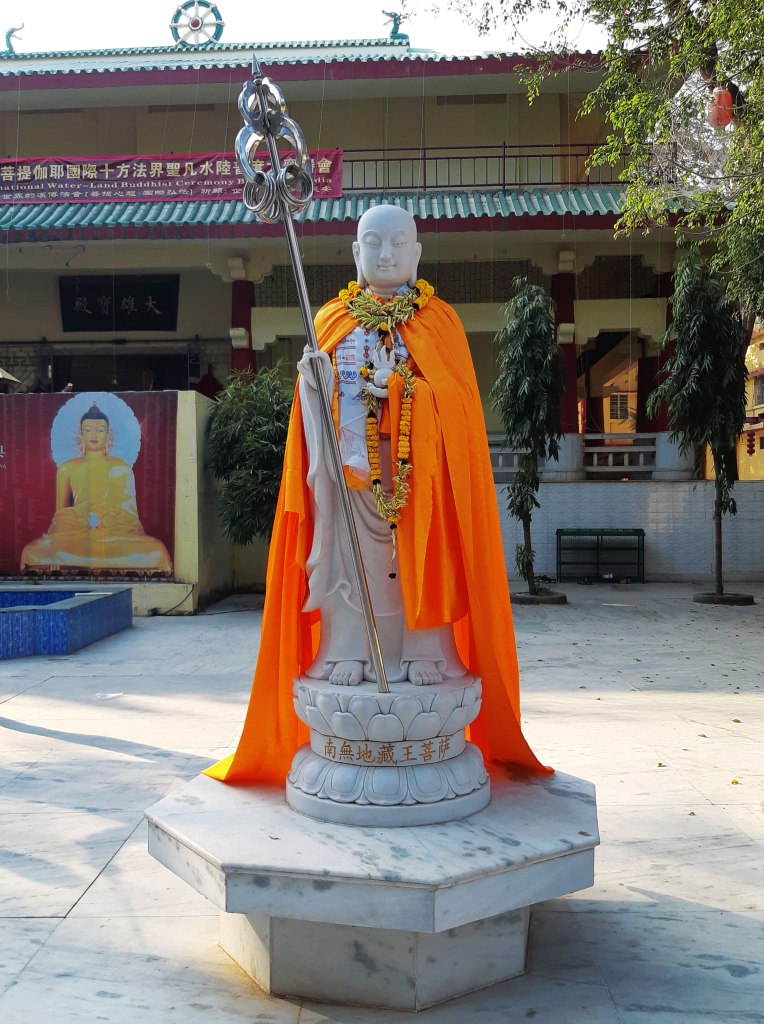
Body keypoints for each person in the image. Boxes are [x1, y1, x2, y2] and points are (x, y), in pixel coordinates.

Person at [206, 205, 549, 785]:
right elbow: (312, 414)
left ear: (417, 254)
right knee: (346, 564)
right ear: (354, 254)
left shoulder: (440, 323)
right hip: (351, 479)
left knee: (423, 561)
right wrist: (313, 384)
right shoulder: (332, 321)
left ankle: (425, 651)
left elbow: (458, 411)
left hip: (420, 485)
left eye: (398, 243)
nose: (386, 254)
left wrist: (402, 392)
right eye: (373, 243)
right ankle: (347, 650)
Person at [20, 402, 172, 574]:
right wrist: (79, 523)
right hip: (77, 532)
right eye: (87, 429)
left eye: (100, 430)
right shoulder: (66, 468)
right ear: (80, 435)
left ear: (108, 435)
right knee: (32, 551)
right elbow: (61, 514)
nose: (94, 434)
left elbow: (130, 516)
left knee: (157, 550)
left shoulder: (121, 467)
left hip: (115, 532)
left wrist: (106, 519)